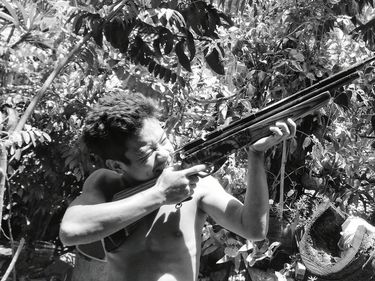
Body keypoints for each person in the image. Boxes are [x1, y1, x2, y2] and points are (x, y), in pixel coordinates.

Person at [59, 92, 296, 281]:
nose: (164, 155)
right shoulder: (105, 183)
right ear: (117, 165)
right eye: (147, 153)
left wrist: (256, 154)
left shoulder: (199, 185)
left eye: (163, 141)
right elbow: (71, 231)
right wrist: (160, 194)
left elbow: (254, 229)